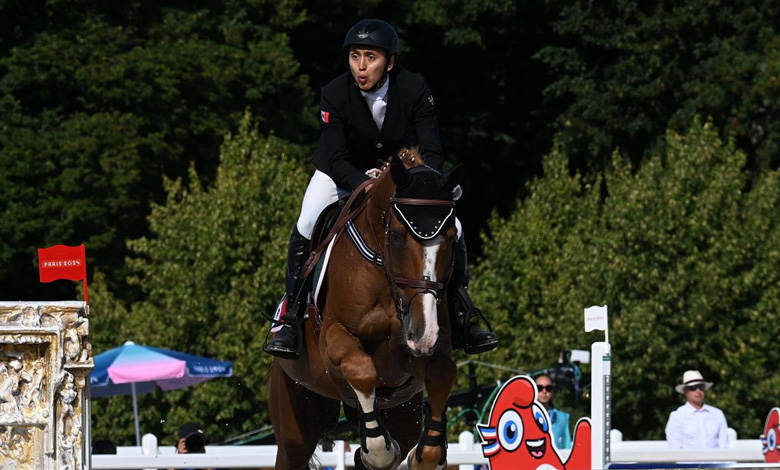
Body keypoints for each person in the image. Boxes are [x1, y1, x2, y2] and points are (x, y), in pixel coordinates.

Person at [263, 19, 498, 360]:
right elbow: (336, 156)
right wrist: (366, 183)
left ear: (389, 62)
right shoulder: (333, 93)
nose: (361, 66)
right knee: (308, 219)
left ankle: (462, 315)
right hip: (340, 174)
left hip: (403, 179)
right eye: (355, 56)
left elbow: (432, 150)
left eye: (370, 57)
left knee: (456, 228)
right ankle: (292, 318)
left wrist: (421, 181)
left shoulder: (415, 89)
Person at [665, 370, 729, 449]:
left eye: (701, 387)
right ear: (685, 391)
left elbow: (724, 446)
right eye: (693, 388)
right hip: (688, 461)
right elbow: (675, 448)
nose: (698, 391)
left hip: (715, 461)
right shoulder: (677, 416)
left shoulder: (717, 414)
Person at [535, 373, 572, 449]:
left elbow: (567, 445)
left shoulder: (562, 417)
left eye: (548, 388)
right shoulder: (525, 416)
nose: (544, 391)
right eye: (539, 388)